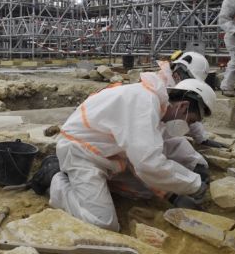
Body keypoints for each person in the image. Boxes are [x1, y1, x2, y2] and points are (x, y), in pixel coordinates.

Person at [48, 74, 216, 231]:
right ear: (183, 106)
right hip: (81, 153)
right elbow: (148, 164)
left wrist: (185, 178)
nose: (188, 127)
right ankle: (55, 181)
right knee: (103, 223)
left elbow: (162, 147)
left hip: (107, 156)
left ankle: (94, 187)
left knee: (144, 192)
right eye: (191, 120)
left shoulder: (156, 106)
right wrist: (194, 185)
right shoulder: (144, 104)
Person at [157, 51, 226, 148]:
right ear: (181, 70)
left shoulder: (174, 83)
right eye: (189, 79)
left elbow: (190, 114)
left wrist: (202, 139)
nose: (190, 83)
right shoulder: (160, 84)